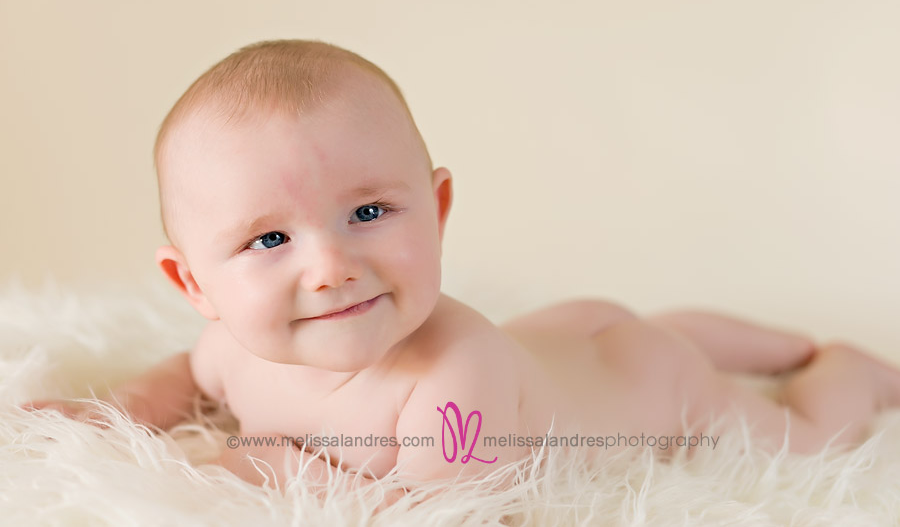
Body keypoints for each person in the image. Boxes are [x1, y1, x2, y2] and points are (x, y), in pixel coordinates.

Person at [23, 40, 900, 497]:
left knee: (790, 434)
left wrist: (258, 464)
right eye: (268, 241)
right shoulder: (227, 352)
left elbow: (433, 504)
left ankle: (839, 371)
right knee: (627, 327)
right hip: (571, 338)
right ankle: (727, 332)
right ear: (194, 287)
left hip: (646, 388)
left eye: (369, 212)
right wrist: (125, 416)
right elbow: (184, 371)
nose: (330, 267)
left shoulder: (455, 376)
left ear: (436, 211)